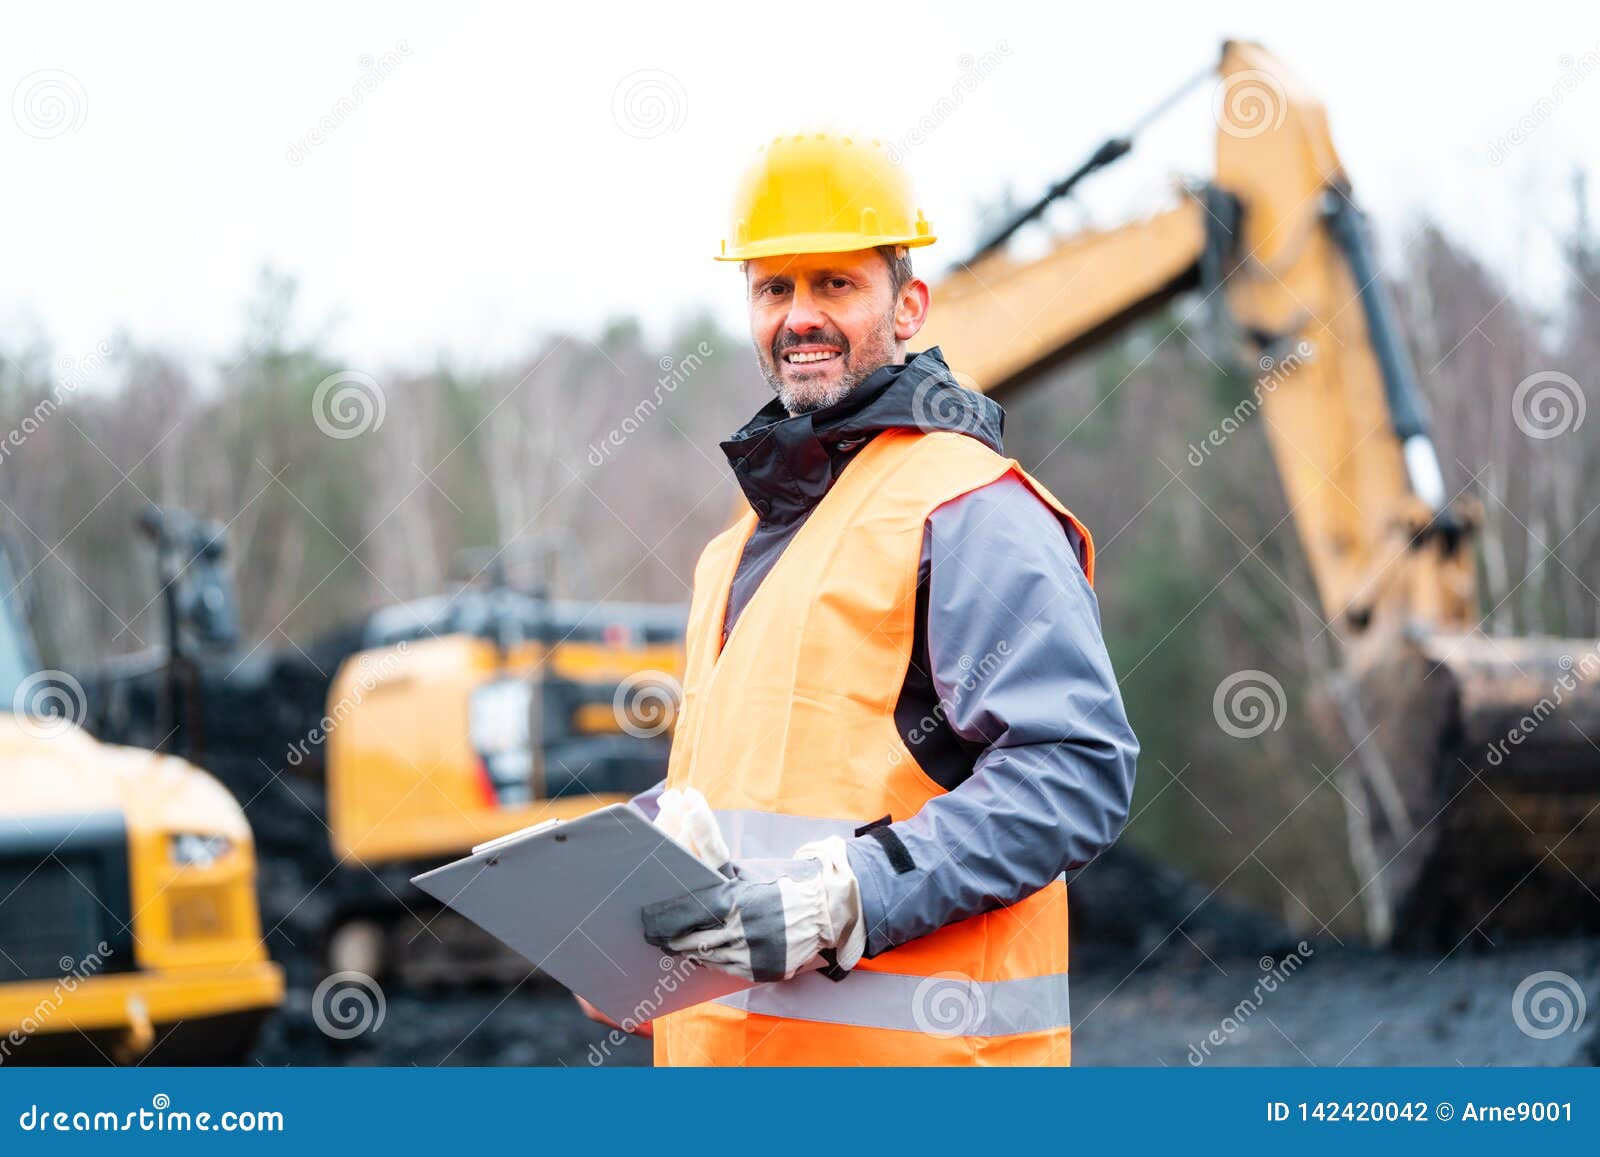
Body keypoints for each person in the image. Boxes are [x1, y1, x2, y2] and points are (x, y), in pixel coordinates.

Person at [582, 132, 1138, 1066]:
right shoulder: (736, 551)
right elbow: (766, 794)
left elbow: (1075, 766)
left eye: (834, 284)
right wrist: (624, 886)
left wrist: (851, 893)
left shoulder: (966, 506)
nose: (800, 316)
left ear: (908, 305)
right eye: (774, 289)